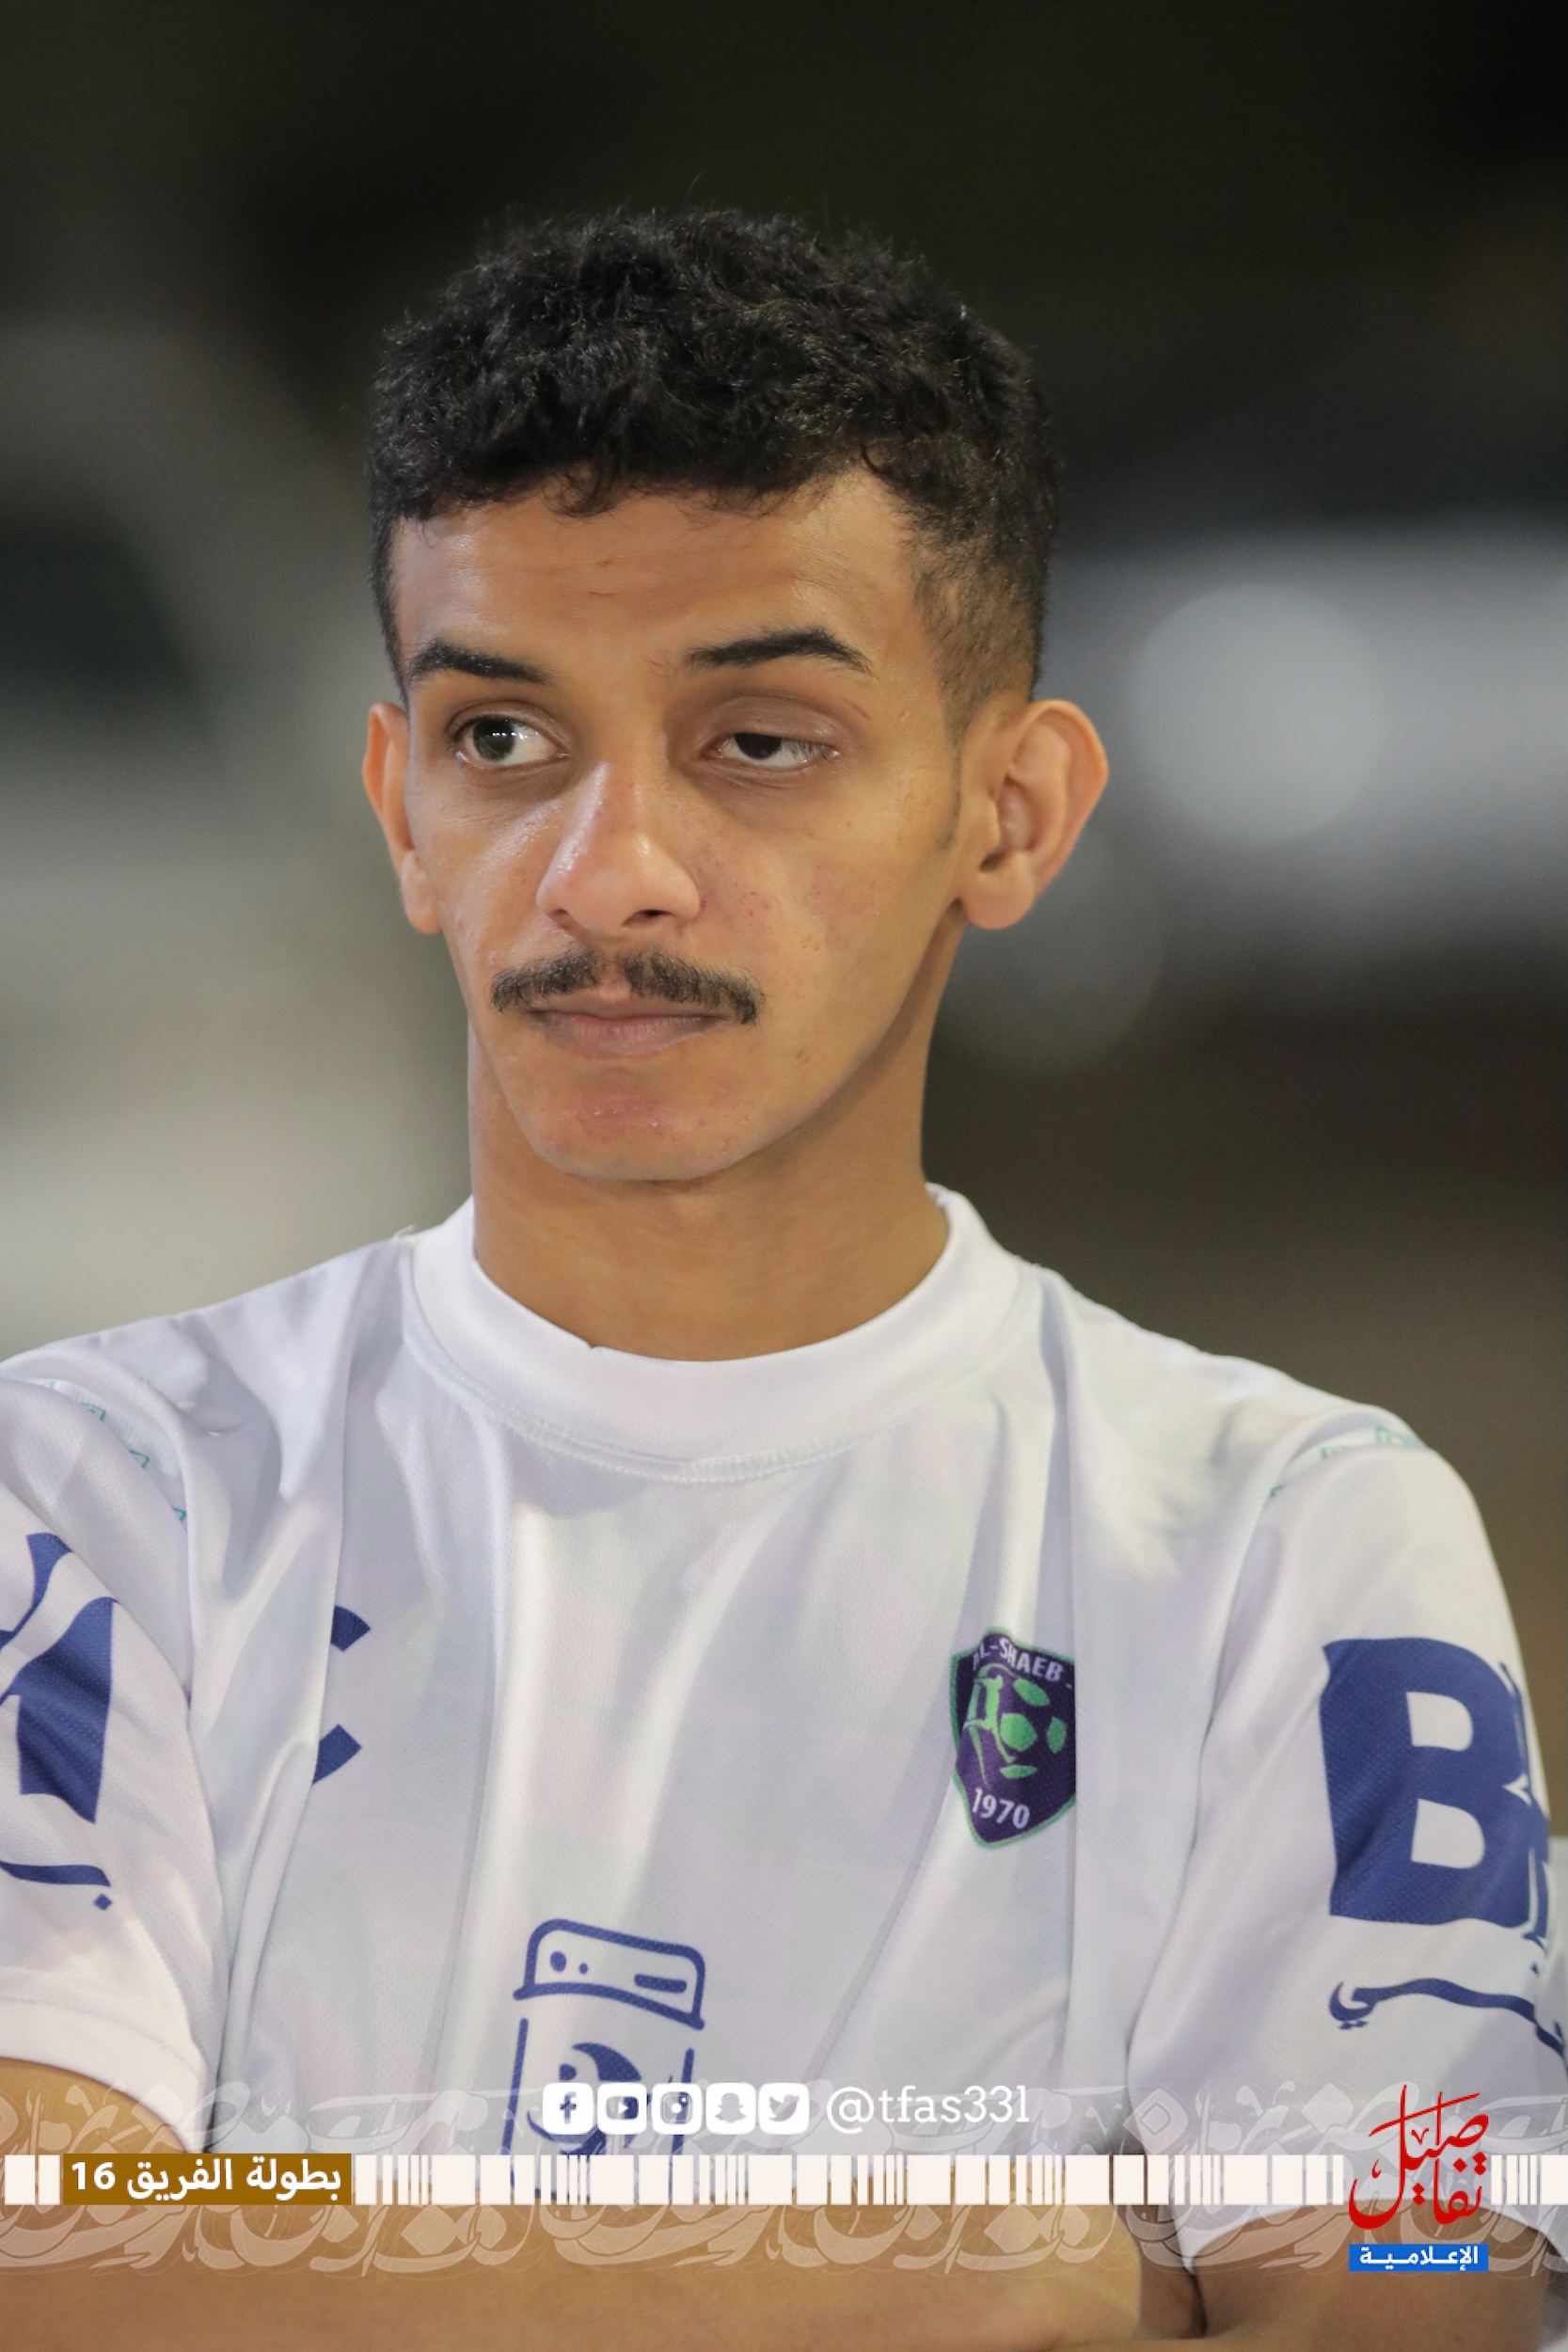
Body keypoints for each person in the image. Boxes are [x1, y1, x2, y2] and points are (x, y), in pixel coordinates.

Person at [0, 210, 1559, 2348]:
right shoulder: (96, 1486)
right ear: (399, 811)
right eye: (503, 739)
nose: (607, 868)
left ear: (1014, 813)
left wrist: (292, 2232)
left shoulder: (1300, 1540)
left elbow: (1424, 2284)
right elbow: (42, 2232)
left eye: (759, 740)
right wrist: (972, 2261)